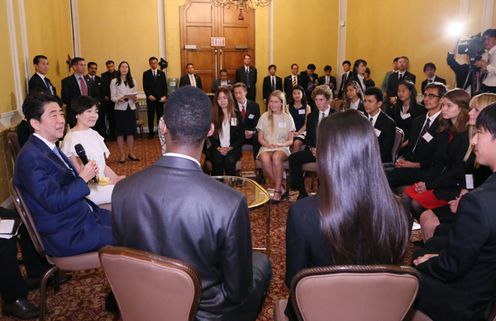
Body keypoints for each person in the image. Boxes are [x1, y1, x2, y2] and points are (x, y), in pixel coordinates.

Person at [112, 86, 272, 321]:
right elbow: (237, 291)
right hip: (203, 313)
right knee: (262, 263)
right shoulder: (230, 202)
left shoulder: (122, 190)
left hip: (142, 301)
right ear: (209, 130)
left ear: (163, 126)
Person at [285, 110, 410, 321]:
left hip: (319, 310)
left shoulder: (302, 212)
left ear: (326, 154)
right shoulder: (401, 209)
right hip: (378, 310)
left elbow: (294, 280)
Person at [413, 103, 496, 321]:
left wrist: (429, 262)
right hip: (485, 283)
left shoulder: (478, 202)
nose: (473, 140)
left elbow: (451, 268)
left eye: (479, 133)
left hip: (468, 301)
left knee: (402, 278)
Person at [13, 92, 113, 257]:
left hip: (82, 216)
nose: (61, 120)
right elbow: (54, 201)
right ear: (35, 123)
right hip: (68, 232)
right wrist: (82, 178)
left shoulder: (49, 147)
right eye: (53, 115)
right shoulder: (31, 157)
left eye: (60, 113)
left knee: (132, 222)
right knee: (132, 236)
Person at [418, 93, 496, 241]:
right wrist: (464, 193)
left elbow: (483, 184)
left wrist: (464, 198)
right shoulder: (472, 135)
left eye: (476, 110)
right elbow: (469, 175)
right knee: (426, 217)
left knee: (430, 223)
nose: (470, 113)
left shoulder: (480, 143)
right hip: (468, 193)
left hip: (478, 204)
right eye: (471, 108)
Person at [402, 89, 470, 219]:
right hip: (440, 180)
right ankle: (405, 233)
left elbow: (457, 170)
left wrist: (429, 185)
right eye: (443, 105)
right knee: (406, 195)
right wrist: (426, 182)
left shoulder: (465, 135)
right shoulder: (445, 129)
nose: (444, 109)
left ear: (462, 108)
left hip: (455, 185)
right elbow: (438, 162)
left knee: (416, 203)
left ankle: (426, 230)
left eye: (449, 105)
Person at [60, 96, 125, 205]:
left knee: (128, 186)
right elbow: (82, 175)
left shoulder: (94, 134)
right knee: (128, 193)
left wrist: (117, 178)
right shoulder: (72, 138)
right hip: (89, 190)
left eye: (96, 111)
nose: (94, 115)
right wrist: (110, 182)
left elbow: (103, 166)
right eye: (89, 111)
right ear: (77, 114)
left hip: (102, 184)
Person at [388, 82, 447, 189]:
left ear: (442, 99)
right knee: (376, 168)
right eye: (425, 95)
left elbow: (439, 160)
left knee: (384, 176)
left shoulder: (444, 124)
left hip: (425, 170)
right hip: (409, 163)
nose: (426, 99)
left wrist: (413, 164)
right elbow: (411, 145)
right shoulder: (418, 121)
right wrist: (402, 160)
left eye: (431, 96)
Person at [289, 85, 336, 199]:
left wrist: (323, 150)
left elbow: (338, 139)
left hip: (330, 152)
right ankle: (302, 192)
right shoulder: (311, 116)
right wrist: (312, 148)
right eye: (316, 100)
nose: (318, 103)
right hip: (314, 150)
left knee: (326, 164)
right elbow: (309, 137)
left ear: (328, 100)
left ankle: (324, 194)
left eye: (321, 100)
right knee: (293, 158)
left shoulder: (337, 116)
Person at [256, 90, 295, 203]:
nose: (273, 104)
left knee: (276, 157)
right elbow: (260, 138)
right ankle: (281, 186)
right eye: (271, 102)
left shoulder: (287, 118)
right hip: (266, 146)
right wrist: (267, 144)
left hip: (282, 147)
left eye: (276, 102)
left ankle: (277, 191)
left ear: (282, 103)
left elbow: (290, 140)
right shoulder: (264, 116)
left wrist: (282, 144)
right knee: (265, 158)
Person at [207, 87, 244, 176]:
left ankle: (231, 187)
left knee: (229, 161)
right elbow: (211, 135)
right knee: (217, 160)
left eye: (224, 98)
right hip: (217, 148)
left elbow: (241, 136)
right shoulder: (213, 115)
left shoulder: (237, 115)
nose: (222, 101)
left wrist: (230, 148)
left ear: (229, 99)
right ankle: (217, 188)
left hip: (233, 148)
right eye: (219, 98)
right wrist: (219, 147)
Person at [110, 61, 139, 163]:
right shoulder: (114, 81)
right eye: (122, 67)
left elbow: (135, 96)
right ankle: (122, 155)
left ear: (128, 69)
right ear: (119, 69)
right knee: (120, 133)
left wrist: (134, 98)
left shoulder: (133, 81)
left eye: (126, 67)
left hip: (130, 108)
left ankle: (131, 153)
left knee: (130, 132)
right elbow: (112, 97)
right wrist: (119, 99)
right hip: (120, 109)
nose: (124, 69)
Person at [386, 80, 426, 151]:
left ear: (410, 92)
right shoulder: (393, 108)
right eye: (399, 91)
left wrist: (402, 145)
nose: (400, 93)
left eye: (403, 91)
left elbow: (418, 133)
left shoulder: (420, 110)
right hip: (394, 145)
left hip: (411, 146)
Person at [363, 87, 396, 163]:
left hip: (380, 162)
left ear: (379, 103)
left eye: (370, 101)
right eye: (365, 101)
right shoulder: (360, 118)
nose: (366, 104)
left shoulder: (388, 123)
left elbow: (385, 151)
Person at [61, 57, 95, 127]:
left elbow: (93, 95)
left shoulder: (89, 80)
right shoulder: (67, 81)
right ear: (74, 67)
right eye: (81, 65)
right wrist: (79, 104)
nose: (84, 67)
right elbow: (65, 98)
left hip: (88, 112)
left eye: (84, 65)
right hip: (75, 113)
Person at [233, 82, 261, 159]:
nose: (238, 95)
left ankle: (256, 160)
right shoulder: (231, 107)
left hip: (251, 135)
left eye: (240, 93)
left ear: (245, 92)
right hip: (238, 135)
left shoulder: (254, 106)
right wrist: (242, 133)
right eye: (235, 93)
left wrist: (252, 132)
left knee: (257, 136)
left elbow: (258, 123)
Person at [143, 56, 168, 139]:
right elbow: (145, 86)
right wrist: (149, 95)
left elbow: (165, 86)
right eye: (152, 63)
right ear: (149, 64)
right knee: (150, 116)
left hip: (160, 99)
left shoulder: (162, 73)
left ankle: (160, 133)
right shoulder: (146, 73)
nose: (154, 65)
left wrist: (165, 96)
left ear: (157, 63)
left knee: (160, 117)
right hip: (150, 99)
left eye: (155, 63)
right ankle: (151, 133)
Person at [288, 85, 311, 153]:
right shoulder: (287, 107)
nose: (297, 95)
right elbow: (286, 122)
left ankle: (294, 161)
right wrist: (292, 133)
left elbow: (307, 124)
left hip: (302, 132)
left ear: (302, 94)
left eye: (299, 93)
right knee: (288, 143)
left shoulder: (307, 107)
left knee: (296, 143)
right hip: (290, 132)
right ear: (292, 95)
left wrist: (298, 132)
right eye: (294, 93)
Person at [87, 61, 106, 138]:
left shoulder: (100, 79)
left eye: (95, 68)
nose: (93, 70)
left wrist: (98, 101)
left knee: (101, 123)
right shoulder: (85, 79)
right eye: (92, 68)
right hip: (89, 106)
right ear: (88, 69)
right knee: (91, 124)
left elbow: (103, 92)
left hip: (99, 106)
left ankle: (102, 141)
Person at [101, 60, 118, 140]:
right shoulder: (103, 75)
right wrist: (105, 95)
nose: (110, 68)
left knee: (118, 118)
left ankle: (119, 134)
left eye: (111, 66)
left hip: (118, 100)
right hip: (108, 101)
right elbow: (103, 87)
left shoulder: (119, 74)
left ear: (114, 66)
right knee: (111, 118)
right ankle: (113, 135)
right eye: (108, 67)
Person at [475, 29, 496, 93]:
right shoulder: (490, 53)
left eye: (489, 39)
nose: (485, 42)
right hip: (488, 86)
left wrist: (486, 66)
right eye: (484, 39)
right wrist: (485, 70)